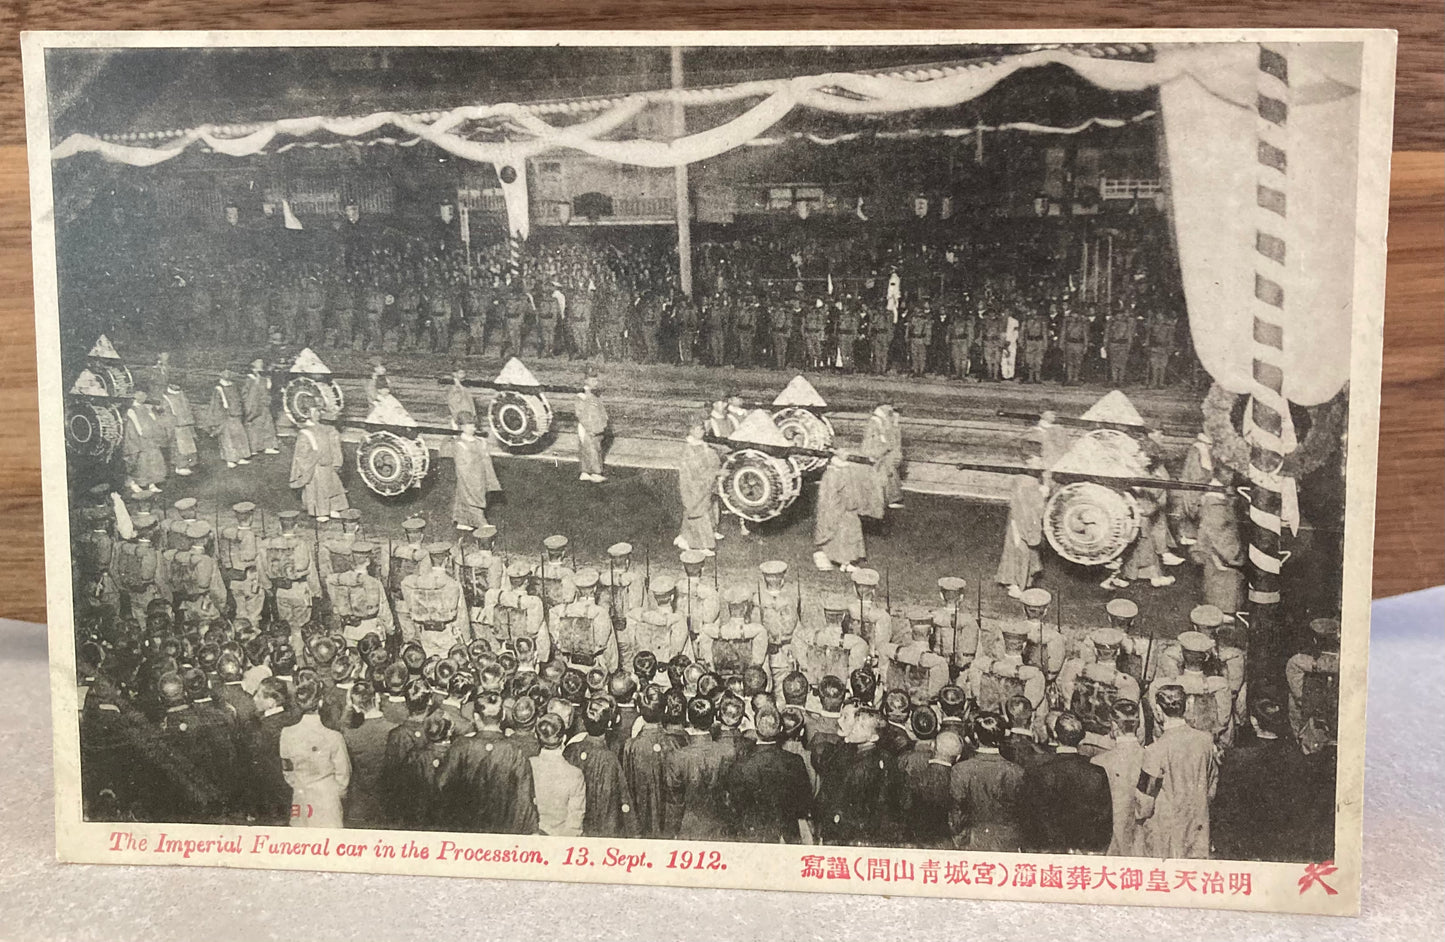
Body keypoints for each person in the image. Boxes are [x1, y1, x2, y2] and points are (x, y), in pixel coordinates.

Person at [435, 691, 538, 834]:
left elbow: (441, 785)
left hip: (464, 829)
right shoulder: (516, 751)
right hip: (502, 832)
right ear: (502, 716)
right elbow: (523, 800)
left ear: (476, 717)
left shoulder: (460, 746)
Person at [1136, 684, 1218, 858]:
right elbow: (1212, 787)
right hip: (1199, 828)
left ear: (1158, 710)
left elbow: (1143, 805)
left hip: (1167, 835)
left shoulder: (1155, 750)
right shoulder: (1206, 741)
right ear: (1187, 706)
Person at [1021, 712, 1113, 854]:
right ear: (1082, 737)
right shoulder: (1097, 772)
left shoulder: (1039, 771)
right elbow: (1103, 820)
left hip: (1049, 851)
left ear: (1055, 735)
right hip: (1084, 852)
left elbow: (1032, 817)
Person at [720, 706, 812, 843]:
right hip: (787, 834)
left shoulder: (741, 765)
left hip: (752, 835)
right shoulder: (795, 761)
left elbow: (735, 805)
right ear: (781, 729)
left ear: (756, 730)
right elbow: (804, 803)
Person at [279, 678, 352, 829]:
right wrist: (335, 793)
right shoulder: (334, 737)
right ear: (320, 703)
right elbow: (343, 775)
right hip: (328, 800)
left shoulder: (286, 734)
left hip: (300, 798)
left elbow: (287, 770)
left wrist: (299, 784)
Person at [948, 712, 1025, 851]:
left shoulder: (960, 769)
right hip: (1007, 844)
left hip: (971, 842)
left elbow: (956, 812)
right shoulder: (1017, 772)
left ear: (976, 736)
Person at [662, 696, 732, 840]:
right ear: (714, 719)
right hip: (721, 827)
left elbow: (674, 801)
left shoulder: (677, 757)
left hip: (688, 829)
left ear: (688, 717)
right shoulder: (728, 752)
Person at [563, 697, 634, 837]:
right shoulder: (609, 758)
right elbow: (615, 802)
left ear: (583, 721)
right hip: (598, 829)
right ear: (609, 723)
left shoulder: (570, 749)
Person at [1090, 699, 1147, 856]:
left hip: (1110, 843)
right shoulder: (1150, 758)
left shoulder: (1099, 762)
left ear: (1114, 725)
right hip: (1142, 844)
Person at [341, 683, 394, 829]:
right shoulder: (394, 730)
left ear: (356, 707)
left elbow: (342, 728)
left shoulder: (351, 735)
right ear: (377, 698)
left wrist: (348, 708)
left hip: (362, 803)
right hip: (389, 800)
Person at [995, 448, 1047, 598]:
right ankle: (1015, 584)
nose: (1041, 462)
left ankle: (1020, 582)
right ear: (1029, 461)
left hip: (1023, 521)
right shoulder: (1026, 482)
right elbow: (1023, 508)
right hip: (1022, 523)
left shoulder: (1026, 479)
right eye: (1038, 459)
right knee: (1020, 552)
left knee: (1022, 552)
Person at [530, 712, 586, 836]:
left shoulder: (527, 766)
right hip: (559, 842)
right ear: (564, 738)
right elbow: (574, 824)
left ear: (536, 736)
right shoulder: (575, 774)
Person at [290, 407, 349, 522]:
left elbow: (302, 454)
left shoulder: (324, 429)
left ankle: (332, 508)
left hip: (325, 463)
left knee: (332, 486)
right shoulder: (308, 432)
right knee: (320, 487)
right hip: (317, 466)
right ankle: (322, 511)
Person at [813, 451, 866, 572]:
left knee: (851, 531)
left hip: (845, 509)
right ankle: (839, 561)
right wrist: (843, 507)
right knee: (841, 533)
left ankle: (846, 562)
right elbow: (831, 498)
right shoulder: (833, 474)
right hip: (837, 510)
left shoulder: (844, 470)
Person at [675, 423, 722, 555]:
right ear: (690, 430)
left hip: (702, 483)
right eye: (697, 429)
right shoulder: (689, 450)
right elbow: (695, 471)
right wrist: (716, 473)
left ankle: (684, 536)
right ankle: (699, 545)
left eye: (702, 428)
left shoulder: (701, 445)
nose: (701, 431)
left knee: (707, 506)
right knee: (697, 509)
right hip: (693, 485)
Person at [451, 411, 501, 532]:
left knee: (464, 495)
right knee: (471, 496)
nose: (474, 428)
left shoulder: (478, 441)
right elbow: (464, 466)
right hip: (469, 475)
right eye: (470, 425)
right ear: (462, 427)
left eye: (474, 425)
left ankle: (462, 521)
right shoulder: (459, 444)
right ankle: (481, 522)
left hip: (480, 474)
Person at [121, 390, 168, 495]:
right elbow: (136, 427)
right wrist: (142, 436)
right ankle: (133, 483)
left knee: (154, 460)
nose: (142, 396)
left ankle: (151, 483)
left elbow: (153, 422)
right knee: (140, 462)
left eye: (144, 394)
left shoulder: (145, 408)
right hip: (138, 440)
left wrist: (151, 412)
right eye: (139, 394)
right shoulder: (131, 410)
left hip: (149, 439)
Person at [206, 369, 253, 468]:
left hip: (236, 415)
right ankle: (230, 459)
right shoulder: (218, 389)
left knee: (239, 437)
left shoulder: (234, 386)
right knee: (227, 439)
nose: (228, 374)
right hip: (226, 417)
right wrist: (219, 419)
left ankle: (240, 457)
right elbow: (215, 406)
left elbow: (239, 401)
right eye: (225, 372)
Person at [155, 381, 199, 476]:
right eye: (174, 384)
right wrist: (170, 427)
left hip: (186, 425)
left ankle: (186, 464)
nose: (176, 386)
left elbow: (188, 409)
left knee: (188, 448)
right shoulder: (166, 398)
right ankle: (180, 466)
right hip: (176, 426)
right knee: (179, 448)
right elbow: (165, 415)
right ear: (170, 385)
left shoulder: (182, 395)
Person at [575, 373, 609, 483]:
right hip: (590, 428)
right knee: (593, 450)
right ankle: (596, 473)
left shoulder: (592, 395)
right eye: (594, 381)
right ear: (586, 381)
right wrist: (591, 428)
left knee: (588, 449)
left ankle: (585, 472)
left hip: (594, 427)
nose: (596, 383)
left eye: (597, 381)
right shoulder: (583, 396)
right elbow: (582, 414)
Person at [242, 359, 280, 456]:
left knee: (267, 425)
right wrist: (249, 407)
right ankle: (253, 448)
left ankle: (268, 446)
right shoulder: (249, 379)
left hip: (264, 406)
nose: (261, 364)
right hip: (254, 406)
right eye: (258, 362)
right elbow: (246, 394)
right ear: (253, 365)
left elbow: (268, 391)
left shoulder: (264, 379)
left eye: (262, 363)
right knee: (254, 426)